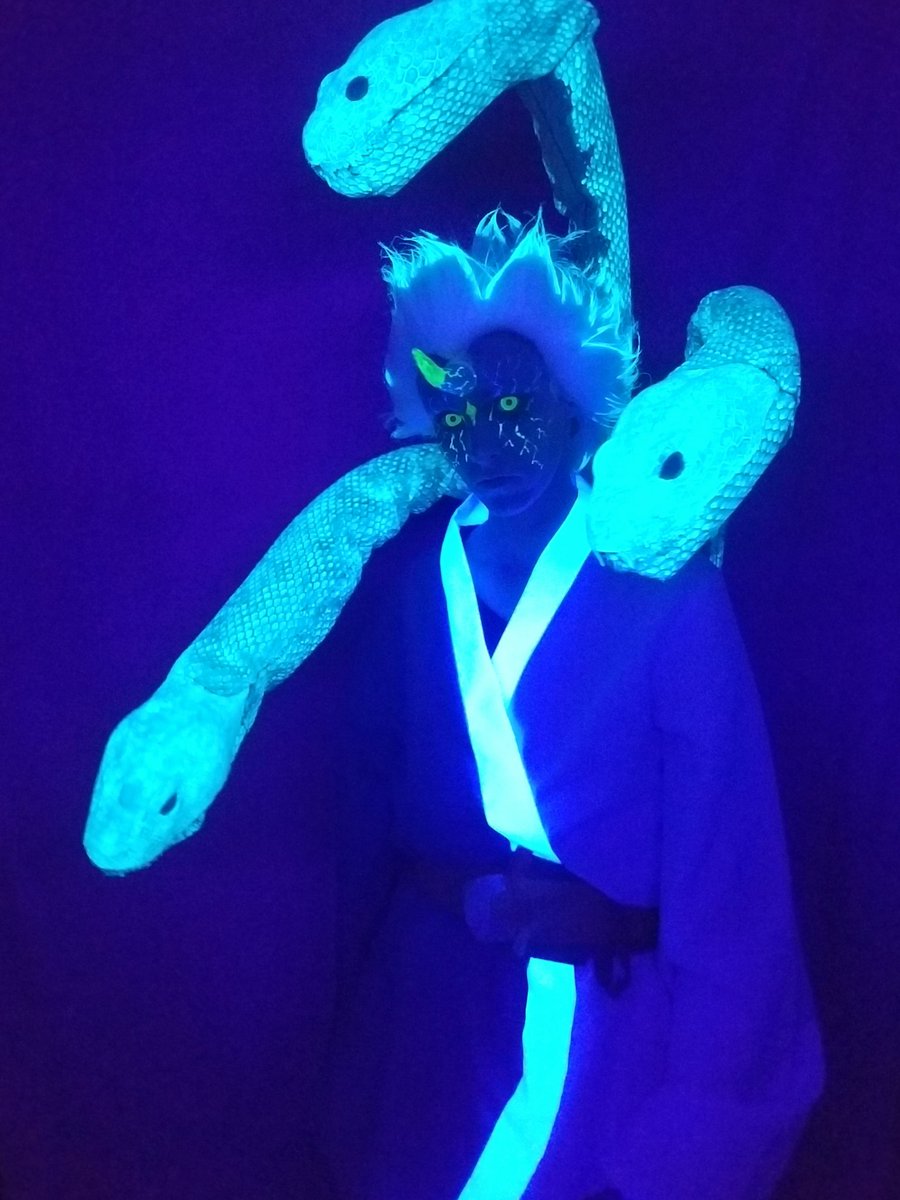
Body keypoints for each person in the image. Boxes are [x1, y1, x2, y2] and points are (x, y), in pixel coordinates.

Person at [311, 211, 824, 1200]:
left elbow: (730, 881)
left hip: (608, 1035)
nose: (487, 444)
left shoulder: (670, 594)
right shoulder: (415, 586)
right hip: (431, 1033)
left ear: (577, 402)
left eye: (516, 405)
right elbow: (368, 815)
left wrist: (705, 1117)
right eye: (459, 412)